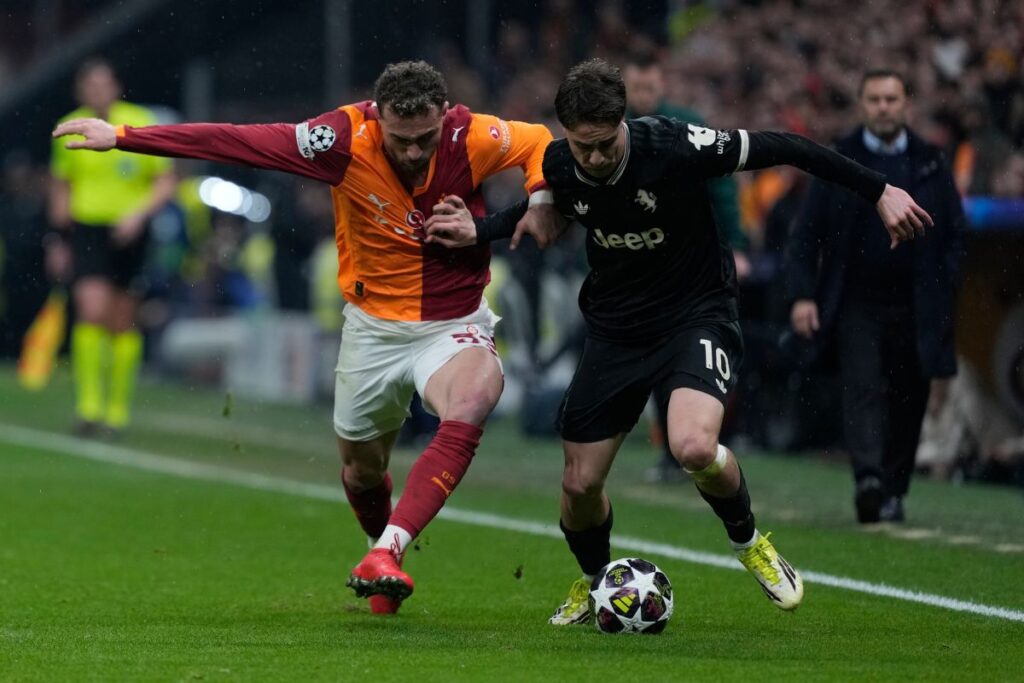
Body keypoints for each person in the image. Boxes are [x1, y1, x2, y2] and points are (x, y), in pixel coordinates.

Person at [426, 58, 931, 623]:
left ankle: (749, 543)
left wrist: (879, 189)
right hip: (616, 331)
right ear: (567, 134)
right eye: (582, 146)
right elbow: (543, 206)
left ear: (625, 120)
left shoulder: (675, 145)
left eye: (605, 144)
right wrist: (482, 228)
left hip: (697, 314)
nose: (595, 158)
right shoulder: (560, 166)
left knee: (693, 446)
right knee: (579, 484)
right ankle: (597, 585)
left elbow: (787, 145)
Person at [53, 60, 558, 614]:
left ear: (444, 116)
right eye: (400, 139)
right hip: (373, 330)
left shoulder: (473, 135)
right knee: (362, 470)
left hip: (453, 321)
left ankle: (389, 549)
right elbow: (234, 142)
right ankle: (377, 546)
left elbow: (538, 141)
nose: (414, 152)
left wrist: (539, 198)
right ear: (377, 118)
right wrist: (124, 137)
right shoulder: (338, 138)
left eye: (425, 138)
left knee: (475, 398)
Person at [786, 69, 965, 524]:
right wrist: (803, 295)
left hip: (917, 299)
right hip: (856, 300)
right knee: (862, 387)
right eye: (875, 99)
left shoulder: (932, 162)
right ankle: (868, 479)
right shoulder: (840, 159)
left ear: (906, 104)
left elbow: (954, 236)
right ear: (862, 104)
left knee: (910, 395)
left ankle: (894, 487)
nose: (883, 107)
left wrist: (947, 290)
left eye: (891, 98)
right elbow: (806, 235)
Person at [623, 52, 748, 483]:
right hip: (636, 272)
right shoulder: (612, 131)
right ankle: (673, 446)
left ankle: (712, 440)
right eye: (636, 87)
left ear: (661, 82)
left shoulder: (685, 126)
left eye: (649, 86)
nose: (643, 94)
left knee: (703, 354)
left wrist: (739, 244)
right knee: (657, 363)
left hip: (692, 268)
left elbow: (721, 189)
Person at [49, 59, 178, 435]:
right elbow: (62, 186)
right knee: (90, 310)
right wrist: (58, 239)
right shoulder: (68, 126)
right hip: (87, 228)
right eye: (89, 84)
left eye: (102, 83)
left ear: (115, 86)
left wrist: (138, 215)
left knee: (122, 321)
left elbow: (164, 181)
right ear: (80, 90)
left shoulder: (137, 121)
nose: (96, 90)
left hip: (132, 231)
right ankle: (88, 406)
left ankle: (116, 411)